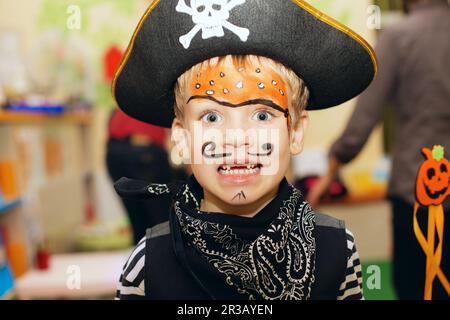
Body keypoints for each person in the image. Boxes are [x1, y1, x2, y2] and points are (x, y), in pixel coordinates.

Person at [112, 0, 377, 300]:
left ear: (296, 131)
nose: (236, 138)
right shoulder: (148, 266)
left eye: (262, 115)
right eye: (211, 117)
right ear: (183, 139)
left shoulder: (337, 251)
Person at [307, 0, 450, 300]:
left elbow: (363, 121)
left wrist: (329, 172)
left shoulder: (399, 38)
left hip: (417, 191)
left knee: (416, 287)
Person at [106, 108, 176, 244]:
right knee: (161, 224)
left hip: (116, 151)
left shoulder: (126, 99)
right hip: (146, 151)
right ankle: (159, 261)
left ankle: (144, 261)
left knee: (138, 222)